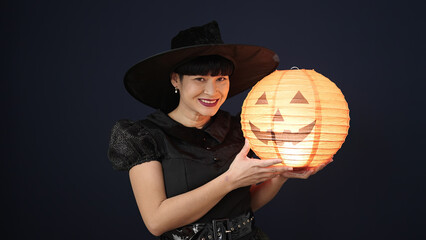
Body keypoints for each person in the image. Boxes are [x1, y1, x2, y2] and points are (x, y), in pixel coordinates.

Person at [108, 21, 329, 240]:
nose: (212, 91)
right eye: (200, 79)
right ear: (176, 79)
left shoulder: (239, 128)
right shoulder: (145, 136)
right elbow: (156, 221)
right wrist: (230, 180)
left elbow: (245, 204)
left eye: (221, 79)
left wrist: (280, 178)